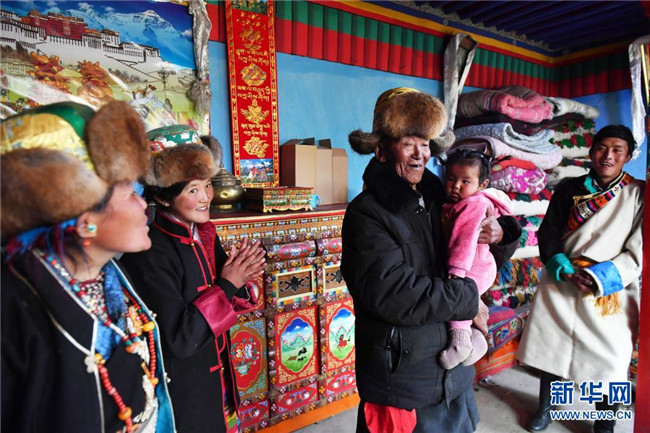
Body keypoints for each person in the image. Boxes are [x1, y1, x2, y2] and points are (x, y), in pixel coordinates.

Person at [341, 87, 521, 433]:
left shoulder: (444, 200)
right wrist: (468, 299)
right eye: (407, 142)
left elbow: (479, 259)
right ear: (381, 149)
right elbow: (394, 293)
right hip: (402, 381)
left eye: (424, 144)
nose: (419, 154)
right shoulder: (367, 214)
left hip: (454, 376)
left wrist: (501, 234)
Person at [1, 101, 175, 433]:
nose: (143, 203)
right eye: (129, 194)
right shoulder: (12, 309)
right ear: (85, 223)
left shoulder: (111, 278)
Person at [120, 126, 266, 433]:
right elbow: (180, 339)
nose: (206, 198)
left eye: (208, 185)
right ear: (163, 198)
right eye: (193, 190)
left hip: (217, 374)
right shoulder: (149, 252)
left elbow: (230, 293)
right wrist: (229, 283)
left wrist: (243, 275)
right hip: (183, 386)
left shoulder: (204, 234)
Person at [517, 125, 643, 433]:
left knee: (611, 361)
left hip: (608, 290)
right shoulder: (569, 187)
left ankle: (605, 423)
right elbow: (548, 231)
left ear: (628, 156)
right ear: (591, 151)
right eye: (602, 148)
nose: (608, 156)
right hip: (562, 279)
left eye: (617, 150)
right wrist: (561, 264)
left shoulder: (639, 194)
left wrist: (601, 277)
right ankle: (546, 407)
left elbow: (639, 248)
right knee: (551, 350)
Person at [439, 149, 514, 370]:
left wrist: (456, 273)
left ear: (482, 184)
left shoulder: (473, 204)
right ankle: (478, 341)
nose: (456, 186)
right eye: (451, 179)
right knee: (466, 300)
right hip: (478, 265)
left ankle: (460, 342)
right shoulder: (463, 201)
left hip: (471, 266)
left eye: (465, 181)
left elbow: (464, 240)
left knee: (458, 299)